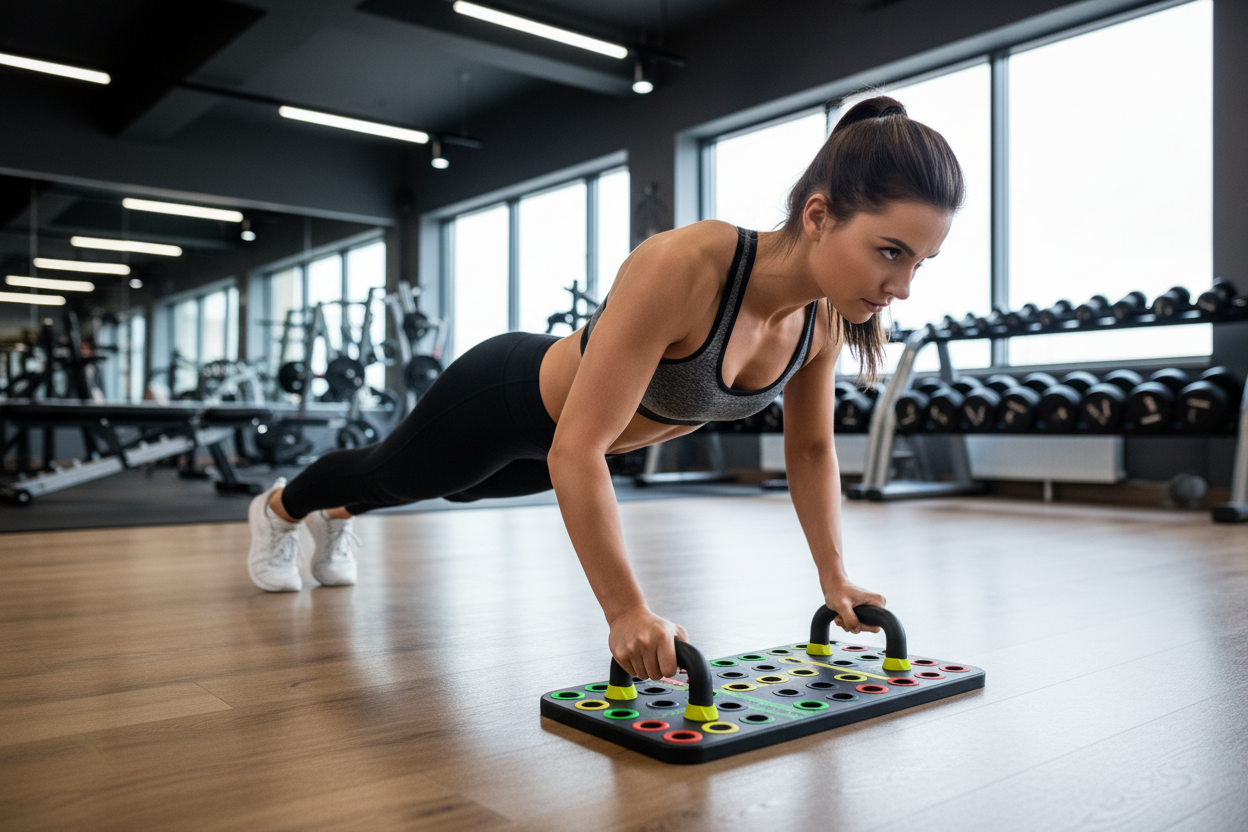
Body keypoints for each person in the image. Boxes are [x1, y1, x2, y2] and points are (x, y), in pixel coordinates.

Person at [247, 95, 964, 683]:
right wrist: (626, 611)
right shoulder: (686, 266)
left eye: (920, 263)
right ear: (817, 216)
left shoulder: (822, 327)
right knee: (393, 475)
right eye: (890, 252)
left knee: (446, 489)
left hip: (562, 452)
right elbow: (577, 448)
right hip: (505, 400)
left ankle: (337, 513)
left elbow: (809, 453)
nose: (901, 287)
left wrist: (834, 578)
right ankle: (282, 509)